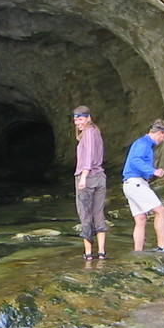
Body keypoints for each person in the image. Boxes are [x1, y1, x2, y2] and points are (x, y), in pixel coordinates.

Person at [121, 119, 164, 251]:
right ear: (160, 133)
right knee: (160, 211)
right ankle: (162, 245)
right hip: (136, 183)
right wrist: (153, 171)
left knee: (141, 219)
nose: (163, 140)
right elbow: (135, 161)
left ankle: (138, 251)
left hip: (129, 184)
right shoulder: (143, 144)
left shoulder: (143, 144)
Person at [73, 105, 107, 260]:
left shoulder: (88, 133)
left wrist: (84, 177)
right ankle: (101, 253)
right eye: (75, 120)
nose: (77, 123)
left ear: (88, 118)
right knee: (98, 214)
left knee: (85, 215)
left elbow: (88, 157)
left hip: (88, 178)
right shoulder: (96, 133)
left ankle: (88, 254)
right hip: (100, 177)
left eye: (80, 119)